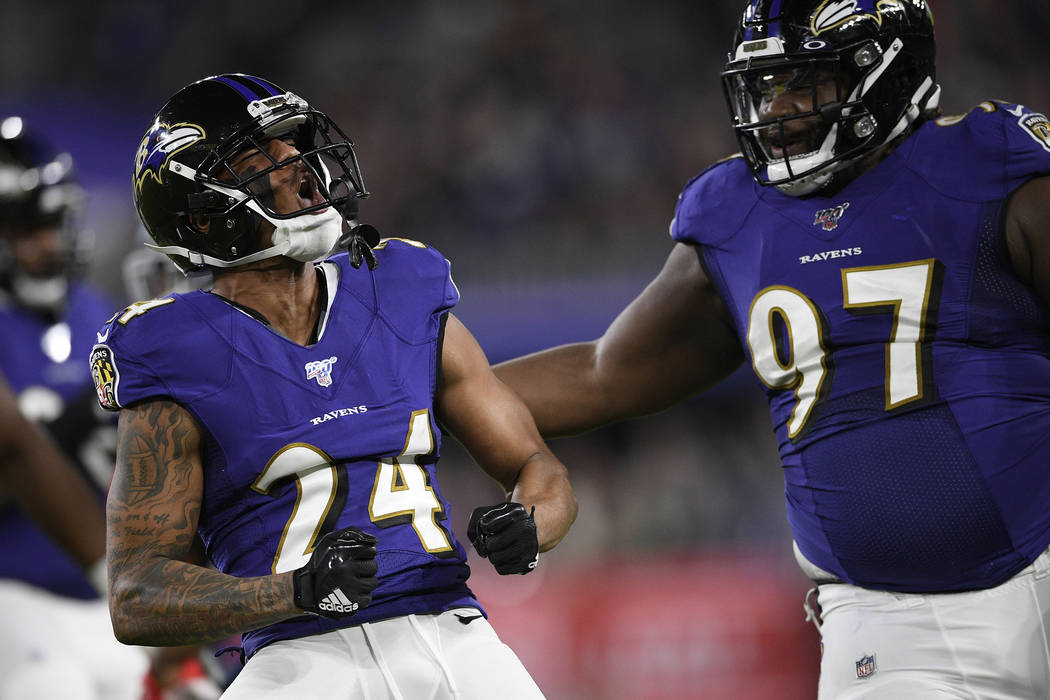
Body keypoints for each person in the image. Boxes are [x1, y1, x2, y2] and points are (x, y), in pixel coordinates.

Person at [494, 1, 1050, 697]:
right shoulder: (736, 213)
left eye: (804, 82)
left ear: (885, 73)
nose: (778, 108)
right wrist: (418, 392)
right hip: (892, 623)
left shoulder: (991, 165)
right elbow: (605, 372)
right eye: (766, 87)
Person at [95, 73, 577, 699]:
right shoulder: (172, 349)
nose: (299, 166)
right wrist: (294, 590)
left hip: (453, 636)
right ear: (204, 216)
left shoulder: (399, 287)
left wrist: (530, 523)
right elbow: (135, 594)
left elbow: (540, 468)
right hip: (296, 656)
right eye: (258, 158)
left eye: (293, 146)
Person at [0, 116, 154, 699]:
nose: (47, 244)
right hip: (14, 594)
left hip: (112, 599)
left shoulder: (99, 315)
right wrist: (50, 441)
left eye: (52, 223)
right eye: (25, 229)